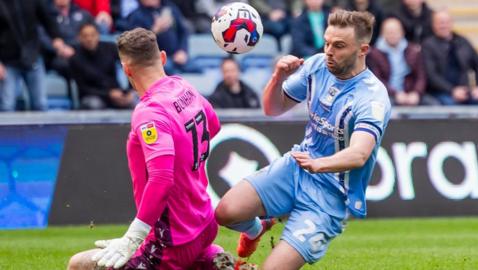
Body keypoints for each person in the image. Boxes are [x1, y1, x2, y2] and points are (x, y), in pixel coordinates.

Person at [215, 9, 391, 270]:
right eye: (327, 42)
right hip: (296, 168)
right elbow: (272, 109)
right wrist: (278, 77)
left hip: (331, 196)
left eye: (339, 46)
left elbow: (359, 154)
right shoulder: (317, 65)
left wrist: (320, 164)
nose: (329, 51)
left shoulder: (372, 97)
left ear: (362, 49)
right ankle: (257, 228)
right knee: (225, 213)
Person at [67, 28, 228, 269]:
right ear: (162, 57)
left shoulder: (149, 112)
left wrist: (133, 237)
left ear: (126, 69)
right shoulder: (184, 87)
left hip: (173, 239)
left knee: (78, 264)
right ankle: (208, 259)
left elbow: (161, 178)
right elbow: (213, 126)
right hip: (204, 223)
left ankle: (200, 260)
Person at [0, 0, 71, 111]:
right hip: (7, 60)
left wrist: (57, 38)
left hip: (33, 56)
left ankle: (41, 129)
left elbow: (47, 19)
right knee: (7, 105)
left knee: (40, 104)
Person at [69, 22, 135, 109]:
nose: (89, 39)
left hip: (116, 93)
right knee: (94, 104)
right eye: (85, 36)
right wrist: (108, 94)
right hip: (92, 95)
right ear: (79, 38)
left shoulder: (110, 48)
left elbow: (129, 64)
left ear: (98, 35)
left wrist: (128, 91)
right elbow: (82, 88)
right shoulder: (75, 58)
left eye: (92, 35)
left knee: (135, 101)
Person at [422, 10, 478, 105]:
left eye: (446, 22)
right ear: (433, 25)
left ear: (451, 23)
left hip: (465, 91)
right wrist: (452, 90)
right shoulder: (428, 45)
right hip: (440, 92)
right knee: (451, 106)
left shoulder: (463, 42)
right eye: (440, 23)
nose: (443, 26)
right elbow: (431, 75)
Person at [367, 17, 427, 106]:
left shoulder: (413, 51)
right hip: (386, 95)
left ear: (402, 33)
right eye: (389, 32)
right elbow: (377, 80)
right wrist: (396, 94)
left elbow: (421, 76)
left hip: (411, 94)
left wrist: (416, 93)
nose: (393, 35)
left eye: (395, 31)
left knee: (434, 106)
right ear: (382, 34)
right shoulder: (374, 54)